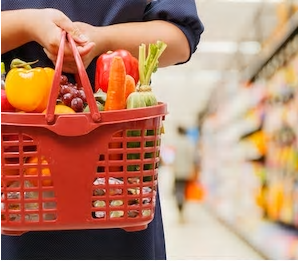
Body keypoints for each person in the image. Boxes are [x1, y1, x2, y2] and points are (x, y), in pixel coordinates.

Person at [1, 0, 204, 259]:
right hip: (20, 172)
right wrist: (26, 25)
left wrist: (104, 40)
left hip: (119, 173)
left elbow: (181, 37)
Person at [172, 126, 196, 222]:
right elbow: (192, 157)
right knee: (185, 192)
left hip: (177, 171)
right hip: (187, 171)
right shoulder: (189, 142)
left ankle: (180, 212)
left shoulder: (176, 143)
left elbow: (173, 158)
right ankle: (183, 211)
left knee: (178, 191)